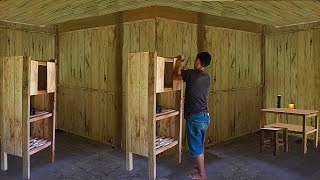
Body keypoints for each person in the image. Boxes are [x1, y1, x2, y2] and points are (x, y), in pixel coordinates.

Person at [173, 52, 211, 179]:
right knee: (199, 145)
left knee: (196, 148)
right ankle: (199, 167)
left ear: (198, 61)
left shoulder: (191, 74)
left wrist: (178, 64)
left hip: (195, 117)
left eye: (195, 60)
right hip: (205, 116)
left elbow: (175, 76)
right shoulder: (207, 77)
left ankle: (202, 175)